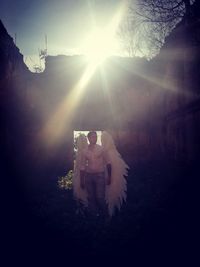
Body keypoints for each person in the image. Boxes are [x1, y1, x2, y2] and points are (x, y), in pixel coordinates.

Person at [79, 131, 111, 218]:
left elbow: (108, 162)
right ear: (88, 138)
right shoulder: (84, 151)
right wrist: (82, 180)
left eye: (95, 136)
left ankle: (107, 216)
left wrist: (109, 177)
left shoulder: (102, 149)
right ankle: (94, 217)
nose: (95, 138)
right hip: (88, 176)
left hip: (100, 176)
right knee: (91, 198)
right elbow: (82, 166)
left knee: (100, 197)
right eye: (92, 137)